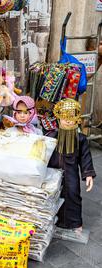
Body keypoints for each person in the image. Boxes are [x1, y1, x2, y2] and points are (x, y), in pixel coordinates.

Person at [46, 99, 96, 239]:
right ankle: (54, 222)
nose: (68, 121)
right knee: (53, 196)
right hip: (53, 173)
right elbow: (44, 155)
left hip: (71, 173)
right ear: (59, 117)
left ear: (77, 119)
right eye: (65, 117)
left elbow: (85, 158)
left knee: (73, 195)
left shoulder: (81, 139)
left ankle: (75, 224)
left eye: (72, 117)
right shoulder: (52, 136)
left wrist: (88, 175)